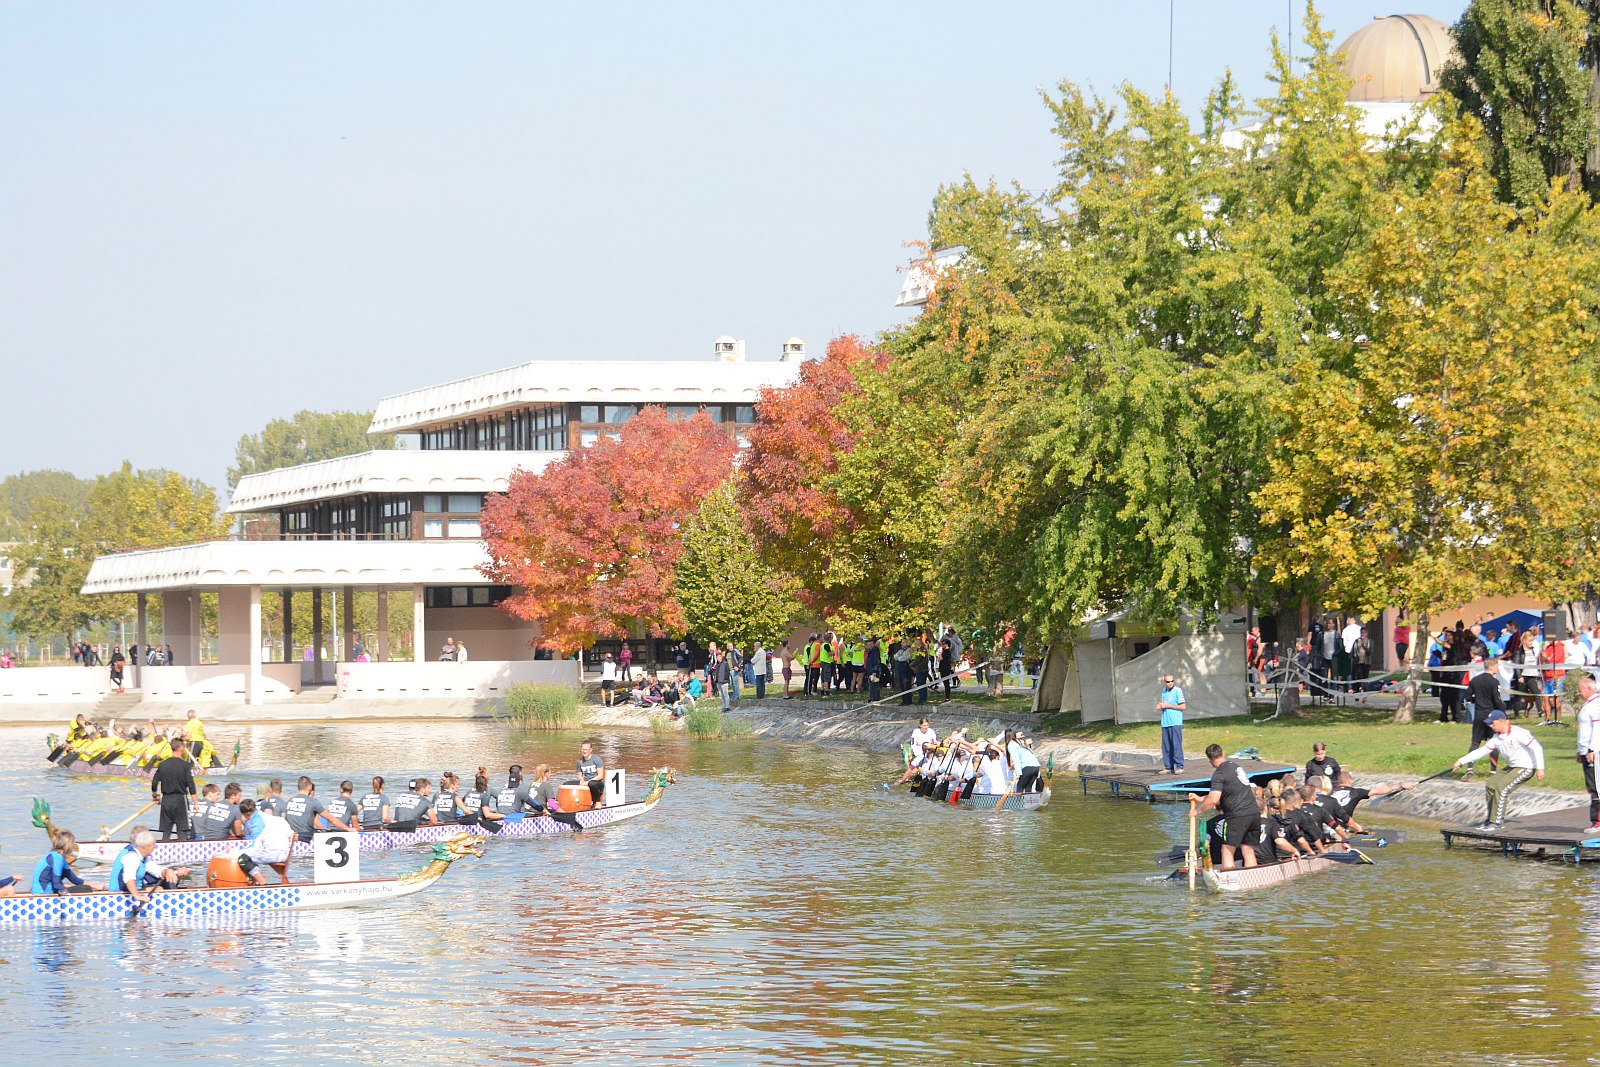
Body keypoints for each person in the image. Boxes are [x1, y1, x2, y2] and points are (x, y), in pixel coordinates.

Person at [1453, 710, 1546, 829]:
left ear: (1502, 721)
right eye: (1489, 723)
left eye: (1492, 723)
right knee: (1491, 785)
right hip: (1512, 766)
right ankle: (1490, 819)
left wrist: (1540, 769)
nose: (1490, 726)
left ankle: (1497, 822)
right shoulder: (1496, 738)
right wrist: (1461, 761)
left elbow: (1537, 748)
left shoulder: (1519, 733)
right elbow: (1481, 751)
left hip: (1526, 766)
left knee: (1501, 788)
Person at [1190, 744, 1260, 870]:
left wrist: (1197, 811)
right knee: (1248, 850)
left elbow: (1213, 800)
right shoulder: (1236, 767)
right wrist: (1200, 799)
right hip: (1254, 812)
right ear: (1223, 754)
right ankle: (1253, 878)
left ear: (1209, 760)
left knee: (1227, 850)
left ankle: (1228, 879)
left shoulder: (1219, 774)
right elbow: (1222, 794)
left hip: (1237, 816)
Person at [110, 828, 190, 903]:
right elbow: (129, 878)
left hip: (134, 889)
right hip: (119, 894)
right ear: (148, 847)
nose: (155, 848)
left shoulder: (142, 857)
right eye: (154, 845)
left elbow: (157, 870)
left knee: (162, 885)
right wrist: (137, 897)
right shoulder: (132, 857)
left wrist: (171, 872)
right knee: (160, 889)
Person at [1329, 770, 1412, 833]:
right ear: (1349, 781)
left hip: (1326, 823)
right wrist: (1399, 786)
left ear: (1338, 781)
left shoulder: (1329, 792)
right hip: (1341, 827)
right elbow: (1379, 791)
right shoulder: (1356, 792)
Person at [235, 800, 293, 885]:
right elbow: (292, 835)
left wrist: (235, 852)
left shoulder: (257, 822)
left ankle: (263, 884)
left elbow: (255, 847)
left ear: (244, 815)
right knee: (252, 856)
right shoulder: (278, 819)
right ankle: (284, 882)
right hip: (285, 853)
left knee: (243, 858)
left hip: (274, 854)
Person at [150, 739, 197, 841]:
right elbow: (191, 785)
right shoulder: (185, 765)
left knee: (166, 831)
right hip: (180, 800)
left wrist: (154, 794)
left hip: (166, 800)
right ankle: (182, 848)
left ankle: (163, 847)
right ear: (181, 748)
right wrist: (196, 803)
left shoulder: (162, 764)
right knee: (182, 830)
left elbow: (154, 782)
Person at [31, 829, 104, 894]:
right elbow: (56, 885)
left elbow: (75, 880)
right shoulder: (57, 858)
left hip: (40, 891)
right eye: (73, 844)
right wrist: (65, 889)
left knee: (85, 887)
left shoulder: (57, 857)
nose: (73, 847)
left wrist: (95, 886)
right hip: (44, 893)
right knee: (86, 889)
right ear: (68, 845)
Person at [285, 776, 353, 842]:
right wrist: (348, 829)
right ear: (310, 787)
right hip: (305, 838)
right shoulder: (313, 802)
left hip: (290, 837)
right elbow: (331, 819)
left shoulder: (290, 801)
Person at [1467, 657, 1508, 759]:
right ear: (1491, 667)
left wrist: (1476, 700)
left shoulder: (1475, 680)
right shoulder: (1494, 682)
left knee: (1475, 742)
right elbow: (1497, 700)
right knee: (1493, 742)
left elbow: (1468, 697)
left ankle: (1470, 766)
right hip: (1491, 716)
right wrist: (1503, 713)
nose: (1498, 669)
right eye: (1497, 666)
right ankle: (1493, 767)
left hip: (1479, 714)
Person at [1576, 673, 1600, 831]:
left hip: (1594, 752)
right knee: (1592, 786)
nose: (1579, 693)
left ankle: (1597, 822)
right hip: (1586, 751)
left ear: (1589, 689)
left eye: (1580, 689)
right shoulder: (1588, 704)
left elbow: (1597, 729)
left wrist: (1591, 749)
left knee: (1596, 786)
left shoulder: (1595, 705)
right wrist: (1580, 750)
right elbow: (1584, 730)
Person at [1157, 674, 1186, 774]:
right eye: (1168, 681)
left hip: (1175, 721)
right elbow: (1164, 706)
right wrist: (1161, 707)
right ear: (1164, 682)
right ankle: (1168, 767)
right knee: (1166, 746)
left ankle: (1180, 766)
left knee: (1176, 745)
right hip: (1165, 722)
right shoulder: (1164, 691)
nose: (1170, 683)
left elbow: (1183, 706)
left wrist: (1168, 705)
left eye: (1172, 681)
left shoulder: (1178, 690)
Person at [577, 741, 606, 806]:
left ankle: (597, 802)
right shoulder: (579, 761)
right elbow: (580, 775)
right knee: (567, 784)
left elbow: (600, 775)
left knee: (591, 783)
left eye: (586, 749)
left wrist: (587, 782)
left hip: (597, 783)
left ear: (591, 750)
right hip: (585, 781)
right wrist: (581, 781)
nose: (584, 751)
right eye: (583, 749)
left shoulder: (597, 759)